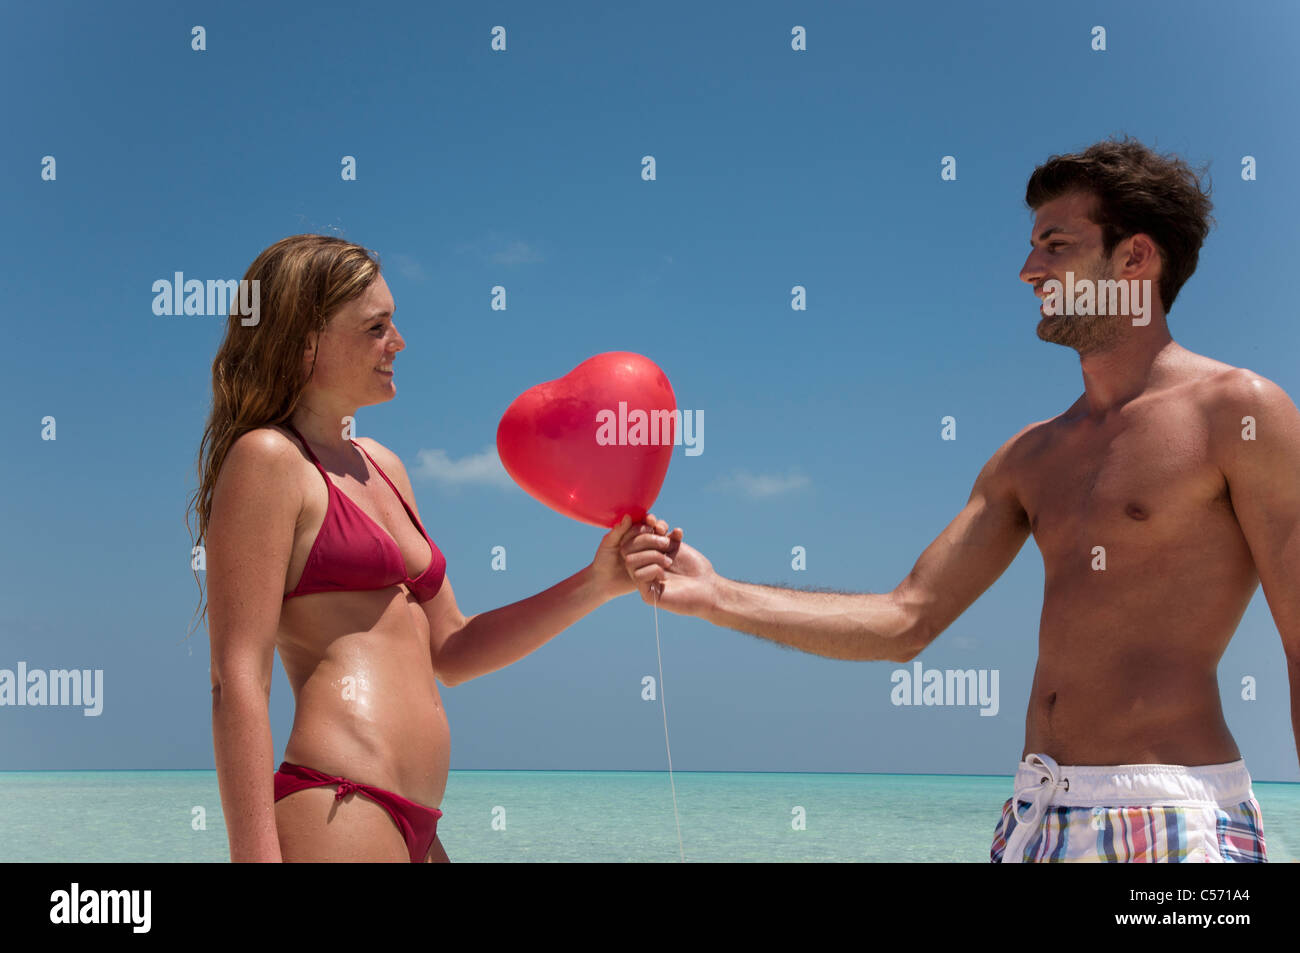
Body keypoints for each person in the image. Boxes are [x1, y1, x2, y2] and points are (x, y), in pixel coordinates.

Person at [620, 137, 1298, 863]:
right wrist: (716, 593)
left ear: (1135, 259)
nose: (1028, 269)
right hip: (1035, 816)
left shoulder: (1238, 411)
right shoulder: (1028, 457)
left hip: (1172, 817)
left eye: (1055, 245)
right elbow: (905, 620)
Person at [190, 235, 638, 862]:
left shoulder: (387, 469)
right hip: (338, 803)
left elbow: (453, 649)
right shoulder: (268, 461)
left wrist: (597, 582)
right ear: (304, 341)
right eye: (376, 327)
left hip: (419, 824)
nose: (398, 342)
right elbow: (235, 678)